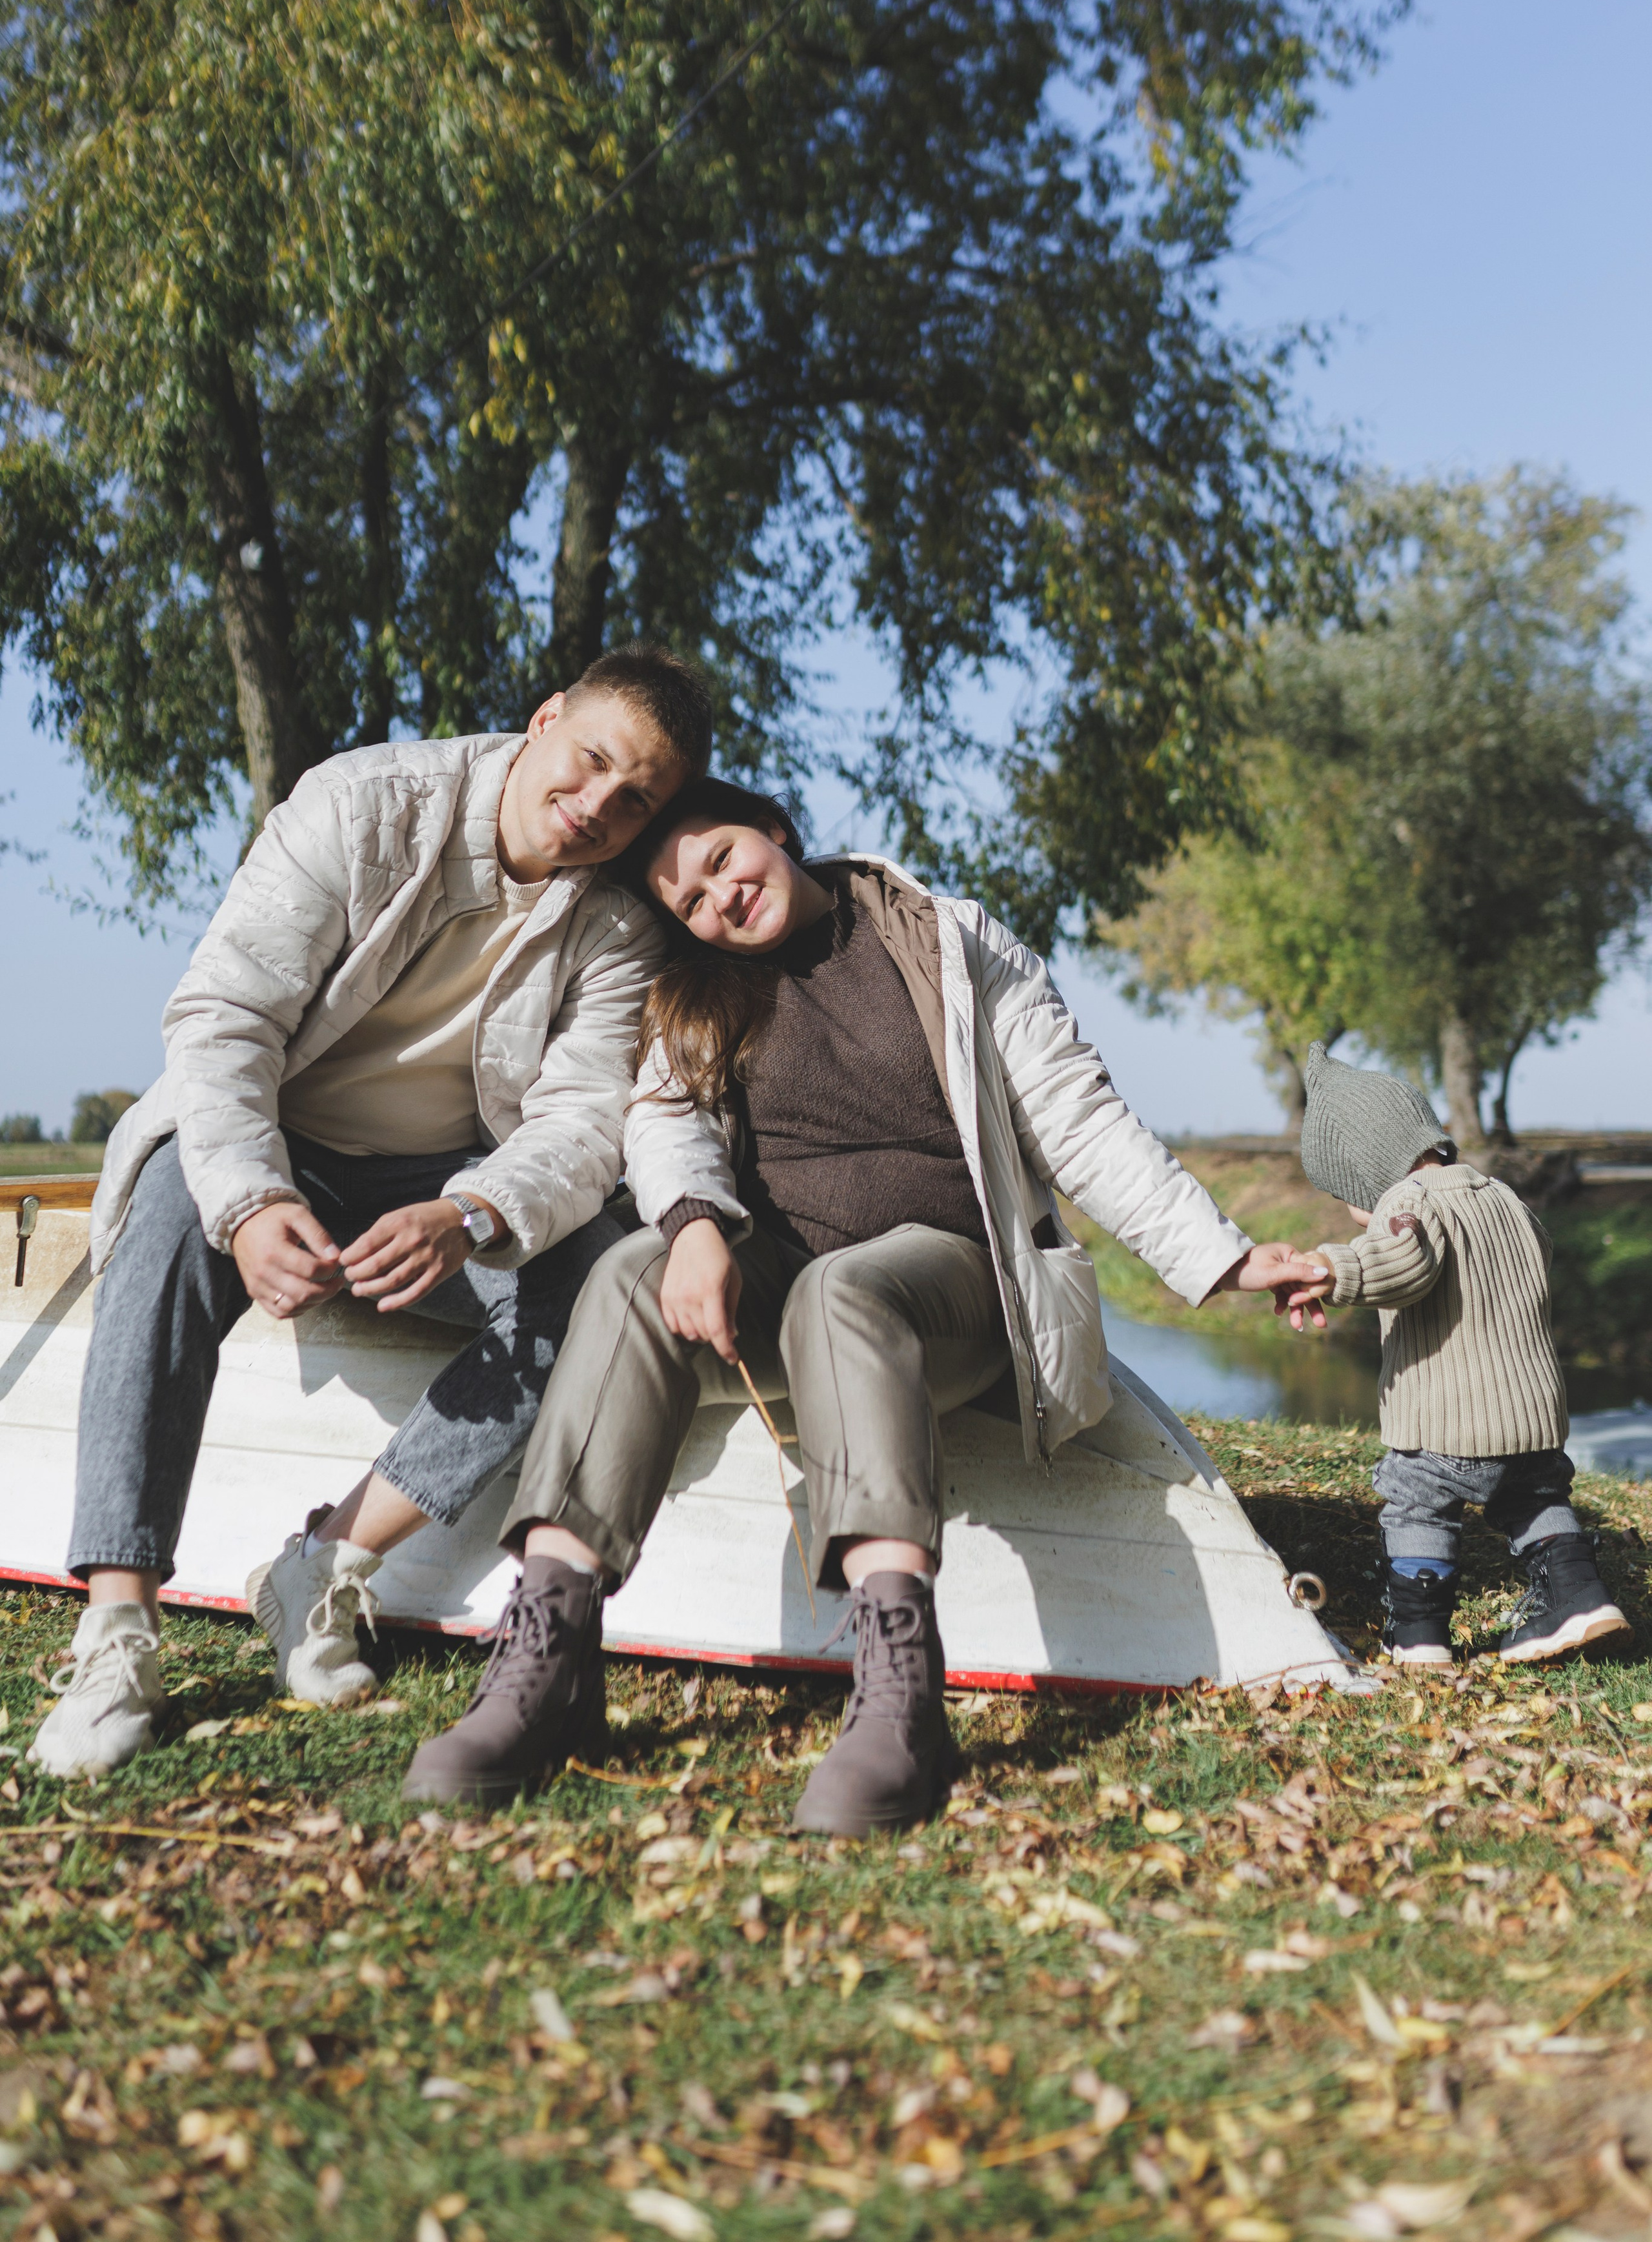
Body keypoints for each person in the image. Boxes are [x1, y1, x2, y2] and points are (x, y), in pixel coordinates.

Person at [403, 781, 1329, 1828]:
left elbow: (1082, 1123)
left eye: (721, 861)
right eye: (688, 902)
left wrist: (1227, 1259)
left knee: (849, 1290)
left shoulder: (945, 941)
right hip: (783, 1292)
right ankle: (550, 1658)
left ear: (776, 830)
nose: (716, 901)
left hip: (945, 1293)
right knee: (628, 1276)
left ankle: (898, 1692)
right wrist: (695, 1226)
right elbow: (667, 1127)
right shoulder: (695, 993)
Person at [29, 647, 714, 1782]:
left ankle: (326, 1562)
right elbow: (222, 1018)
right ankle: (118, 1626)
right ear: (544, 718)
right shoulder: (360, 803)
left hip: (440, 1183)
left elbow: (585, 1124)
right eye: (590, 761)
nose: (598, 806)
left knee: (599, 1280)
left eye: (636, 797)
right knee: (165, 1206)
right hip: (275, 1134)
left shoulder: (623, 927)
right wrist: (250, 1204)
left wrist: (475, 1210)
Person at [1284, 1042, 1629, 1669]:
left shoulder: (1406, 1204)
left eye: (1347, 1198)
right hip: (1530, 1422)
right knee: (1534, 1499)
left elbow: (1402, 1261)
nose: (1354, 1214)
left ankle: (1418, 1637)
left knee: (1416, 1502)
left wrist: (1333, 1267)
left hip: (1445, 1425)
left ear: (1370, 1172)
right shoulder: (1501, 1194)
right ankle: (1578, 1597)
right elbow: (1538, 1253)